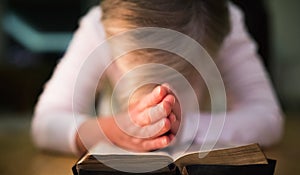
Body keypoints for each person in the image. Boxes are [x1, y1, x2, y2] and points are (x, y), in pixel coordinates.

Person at [31, 0, 284, 156]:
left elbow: (268, 117)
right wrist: (110, 130)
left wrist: (186, 127)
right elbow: (46, 121)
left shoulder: (225, 24)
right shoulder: (99, 27)